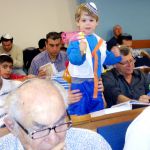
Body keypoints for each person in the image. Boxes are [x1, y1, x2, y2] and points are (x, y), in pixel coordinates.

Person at [0, 78, 112, 150]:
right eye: (40, 129)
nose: (54, 139)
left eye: (60, 123)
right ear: (12, 126)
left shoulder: (92, 144)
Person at [67, 2, 122, 115]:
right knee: (79, 112)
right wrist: (81, 51)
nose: (88, 23)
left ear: (97, 22)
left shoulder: (100, 41)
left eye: (91, 20)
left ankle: (96, 131)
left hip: (96, 83)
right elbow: (75, 60)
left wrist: (117, 56)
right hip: (79, 84)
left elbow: (106, 58)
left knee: (97, 111)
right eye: (84, 20)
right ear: (78, 22)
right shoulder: (75, 40)